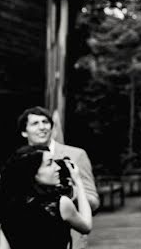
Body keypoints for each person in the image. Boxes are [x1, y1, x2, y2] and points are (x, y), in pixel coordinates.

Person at [18, 106, 98, 249]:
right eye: (35, 123)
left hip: (69, 240)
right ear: (24, 132)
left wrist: (70, 194)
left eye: (46, 122)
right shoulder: (19, 160)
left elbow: (93, 200)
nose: (42, 127)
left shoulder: (76, 155)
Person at [0, 145, 92, 249]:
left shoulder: (8, 208)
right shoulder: (60, 204)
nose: (58, 167)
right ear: (33, 173)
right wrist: (78, 182)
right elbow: (87, 226)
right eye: (49, 163)